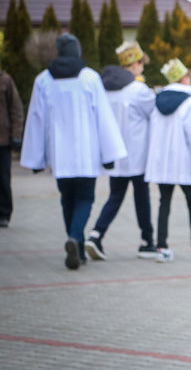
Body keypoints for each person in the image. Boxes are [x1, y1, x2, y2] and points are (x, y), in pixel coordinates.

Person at [20, 34, 127, 269]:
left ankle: (76, 248)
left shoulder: (43, 81)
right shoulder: (89, 78)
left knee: (67, 199)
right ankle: (75, 238)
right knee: (85, 198)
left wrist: (36, 158)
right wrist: (110, 155)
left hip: (59, 155)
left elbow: (37, 120)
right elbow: (103, 117)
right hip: (86, 153)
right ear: (78, 51)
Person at [85, 41, 157, 260]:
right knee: (141, 197)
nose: (142, 68)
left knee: (115, 196)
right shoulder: (138, 90)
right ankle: (147, 241)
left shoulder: (106, 88)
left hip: (115, 153)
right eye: (141, 64)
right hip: (137, 154)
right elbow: (153, 113)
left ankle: (96, 234)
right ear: (134, 64)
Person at [144, 58, 191, 263]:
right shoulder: (190, 103)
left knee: (163, 202)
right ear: (184, 78)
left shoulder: (157, 101)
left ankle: (162, 248)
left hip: (163, 163)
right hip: (185, 162)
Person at [0, 63, 24, 229]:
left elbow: (16, 109)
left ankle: (4, 213)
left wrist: (16, 135)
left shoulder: (5, 80)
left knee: (3, 179)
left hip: (3, 141)